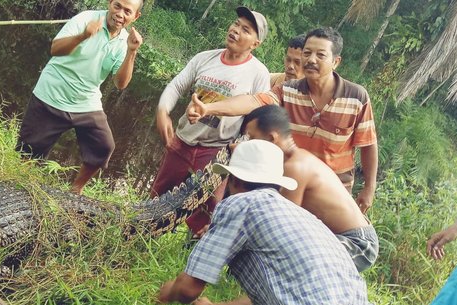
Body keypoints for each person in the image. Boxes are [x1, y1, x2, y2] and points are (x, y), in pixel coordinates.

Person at [157, 140, 384, 305]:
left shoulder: (241, 204)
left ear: (234, 181)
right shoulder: (299, 216)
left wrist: (168, 291)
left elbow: (188, 290)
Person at [187, 27, 378, 214]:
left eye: (320, 55)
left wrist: (369, 188)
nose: (311, 60)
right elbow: (254, 101)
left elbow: (368, 144)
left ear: (335, 62)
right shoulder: (288, 90)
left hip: (331, 192)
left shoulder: (356, 97)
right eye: (307, 53)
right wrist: (208, 108)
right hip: (288, 182)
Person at [151, 6, 271, 235]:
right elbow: (176, 85)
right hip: (182, 140)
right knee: (159, 195)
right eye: (236, 24)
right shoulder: (204, 58)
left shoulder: (258, 73)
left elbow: (257, 114)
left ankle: (195, 252)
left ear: (255, 44)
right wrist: (163, 111)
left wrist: (243, 145)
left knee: (208, 209)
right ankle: (141, 237)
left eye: (245, 30)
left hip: (216, 150)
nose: (235, 30)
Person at [16, 0, 144, 194]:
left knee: (103, 146)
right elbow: (55, 50)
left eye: (127, 11)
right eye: (117, 6)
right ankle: (18, 183)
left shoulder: (124, 42)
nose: (120, 13)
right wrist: (83, 35)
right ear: (110, 3)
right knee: (28, 153)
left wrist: (131, 51)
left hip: (86, 101)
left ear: (135, 17)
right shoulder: (86, 19)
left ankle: (76, 190)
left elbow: (120, 84)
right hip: (53, 92)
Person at [243, 105, 378, 271]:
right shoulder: (290, 161)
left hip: (358, 244)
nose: (249, 145)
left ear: (271, 138)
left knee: (292, 260)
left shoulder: (295, 167)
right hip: (336, 236)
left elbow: (280, 224)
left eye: (252, 139)